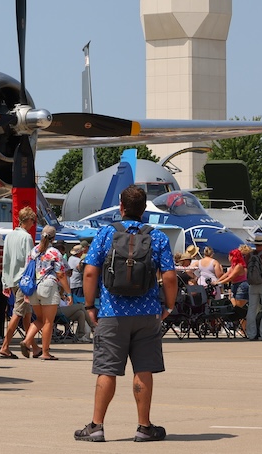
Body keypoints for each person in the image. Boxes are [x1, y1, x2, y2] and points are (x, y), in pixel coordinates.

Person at [75, 185, 177, 443]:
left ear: (121, 207)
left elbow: (89, 272)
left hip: (112, 312)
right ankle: (144, 427)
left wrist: (89, 306)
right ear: (144, 209)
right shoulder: (158, 237)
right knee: (143, 368)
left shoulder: (106, 234)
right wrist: (168, 306)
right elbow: (169, 276)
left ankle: (96, 426)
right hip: (148, 313)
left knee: (107, 369)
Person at [20, 225, 71, 360]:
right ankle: (45, 352)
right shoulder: (54, 252)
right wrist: (68, 293)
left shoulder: (33, 251)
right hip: (48, 285)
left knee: (40, 319)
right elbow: (61, 274)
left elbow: (27, 271)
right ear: (54, 238)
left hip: (33, 288)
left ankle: (26, 341)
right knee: (48, 321)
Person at [0, 206, 37, 359]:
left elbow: (5, 260)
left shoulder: (9, 236)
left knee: (26, 313)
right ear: (27, 220)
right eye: (33, 221)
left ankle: (33, 346)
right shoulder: (26, 238)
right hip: (23, 279)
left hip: (12, 278)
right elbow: (30, 259)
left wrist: (4, 281)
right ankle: (5, 346)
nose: (33, 224)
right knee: (18, 312)